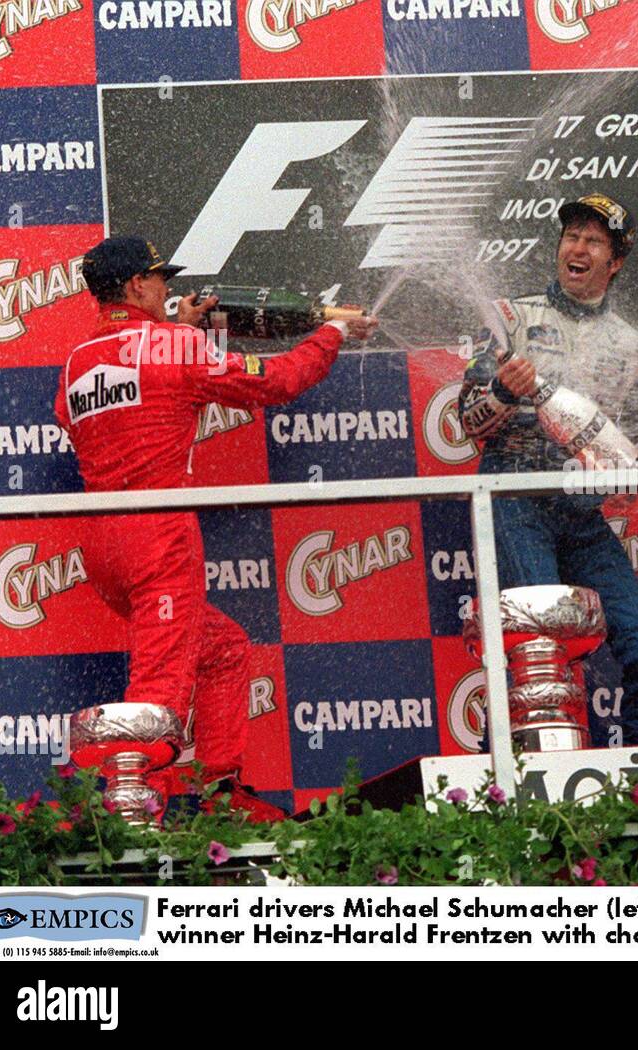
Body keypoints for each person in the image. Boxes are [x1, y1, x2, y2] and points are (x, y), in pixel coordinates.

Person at [55, 236, 377, 820]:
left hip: (100, 547)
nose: (168, 290)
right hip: (158, 539)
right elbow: (275, 381)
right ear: (135, 287)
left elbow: (95, 404)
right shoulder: (175, 345)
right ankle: (128, 821)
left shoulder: (76, 362)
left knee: (224, 650)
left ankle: (221, 793)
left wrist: (176, 331)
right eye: (160, 281)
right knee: (159, 689)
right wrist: (331, 337)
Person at [458, 193, 638, 746]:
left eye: (593, 241)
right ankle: (502, 778)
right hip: (516, 496)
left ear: (615, 261)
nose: (576, 248)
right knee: (539, 643)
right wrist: (504, 392)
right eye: (570, 237)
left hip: (581, 510)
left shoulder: (633, 346)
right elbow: (470, 421)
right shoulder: (512, 316)